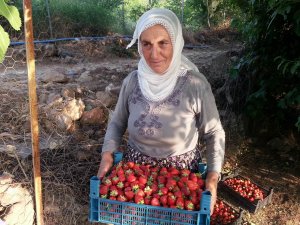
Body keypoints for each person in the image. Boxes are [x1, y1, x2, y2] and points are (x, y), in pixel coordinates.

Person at [97, 8, 225, 214]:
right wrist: (107, 155)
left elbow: (214, 132)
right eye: (146, 44)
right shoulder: (132, 82)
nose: (154, 54)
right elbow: (117, 123)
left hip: (180, 177)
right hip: (135, 173)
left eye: (163, 43)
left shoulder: (194, 84)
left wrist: (212, 178)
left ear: (176, 42)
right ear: (139, 45)